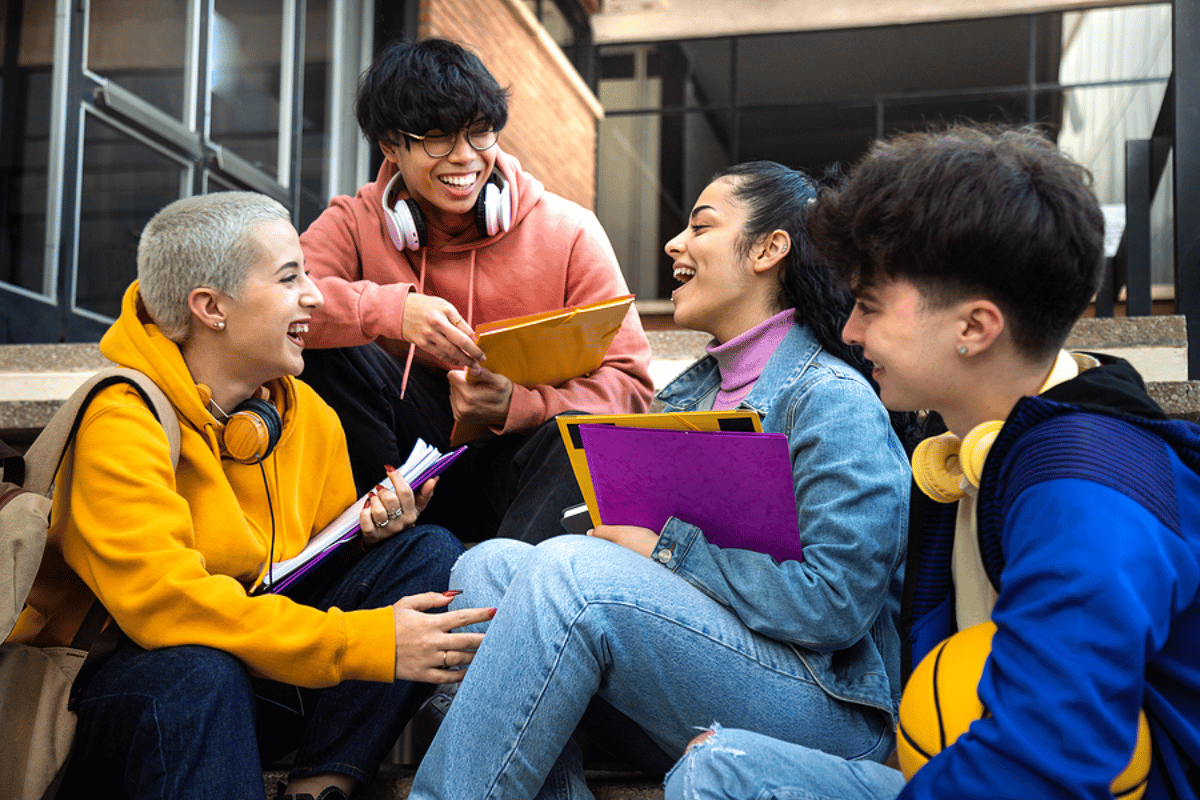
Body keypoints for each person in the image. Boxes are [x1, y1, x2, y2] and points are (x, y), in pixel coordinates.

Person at [662, 125, 1200, 800]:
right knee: (722, 768)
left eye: (870, 306)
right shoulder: (958, 458)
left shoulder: (1085, 489)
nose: (850, 331)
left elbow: (1045, 763)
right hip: (959, 770)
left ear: (973, 328)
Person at [405, 161, 914, 800]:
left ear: (768, 249)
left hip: (825, 706)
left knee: (568, 573)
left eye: (701, 226)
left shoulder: (831, 398)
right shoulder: (690, 395)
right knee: (486, 570)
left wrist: (665, 551)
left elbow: (835, 604)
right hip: (697, 673)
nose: (674, 243)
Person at [6, 192, 495, 800]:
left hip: (256, 676)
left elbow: (306, 568)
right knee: (198, 670)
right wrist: (365, 642)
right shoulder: (121, 421)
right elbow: (171, 609)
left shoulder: (306, 414)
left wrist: (366, 538)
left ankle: (321, 787)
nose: (314, 297)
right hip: (130, 704)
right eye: (291, 278)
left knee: (426, 549)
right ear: (211, 307)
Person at [298, 37, 654, 543]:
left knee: (569, 435)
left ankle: (515, 586)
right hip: (399, 457)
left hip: (521, 468)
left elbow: (633, 390)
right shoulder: (355, 222)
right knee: (329, 351)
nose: (464, 158)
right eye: (436, 138)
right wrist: (390, 310)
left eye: (480, 133)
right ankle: (378, 532)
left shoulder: (570, 231)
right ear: (390, 146)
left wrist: (518, 405)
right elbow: (282, 305)